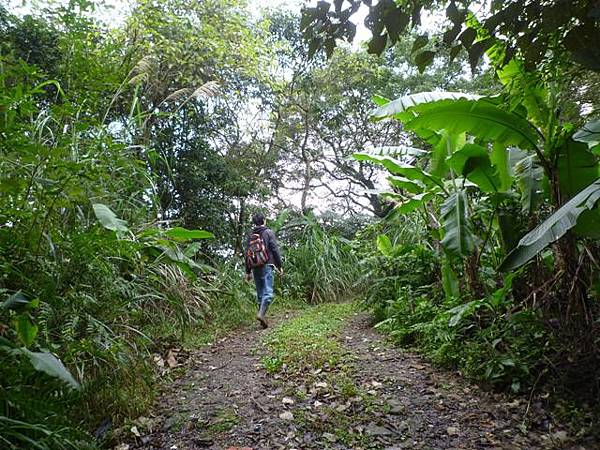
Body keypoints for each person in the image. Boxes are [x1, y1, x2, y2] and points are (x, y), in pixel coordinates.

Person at [244, 212, 283, 329]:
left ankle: (262, 317)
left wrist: (248, 270)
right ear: (264, 220)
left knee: (260, 292)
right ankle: (261, 314)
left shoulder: (251, 235)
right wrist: (279, 265)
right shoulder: (268, 232)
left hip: (255, 266)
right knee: (268, 291)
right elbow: (274, 249)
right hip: (267, 264)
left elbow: (247, 254)